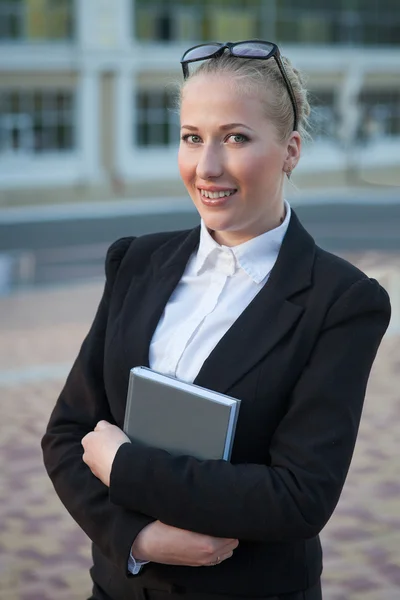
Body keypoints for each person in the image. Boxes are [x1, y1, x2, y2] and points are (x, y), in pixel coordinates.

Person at [41, 41, 391, 600]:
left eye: (236, 138)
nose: (206, 167)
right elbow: (67, 434)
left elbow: (299, 497)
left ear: (290, 150)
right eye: (191, 138)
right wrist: (138, 539)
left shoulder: (343, 301)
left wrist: (127, 468)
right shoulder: (134, 261)